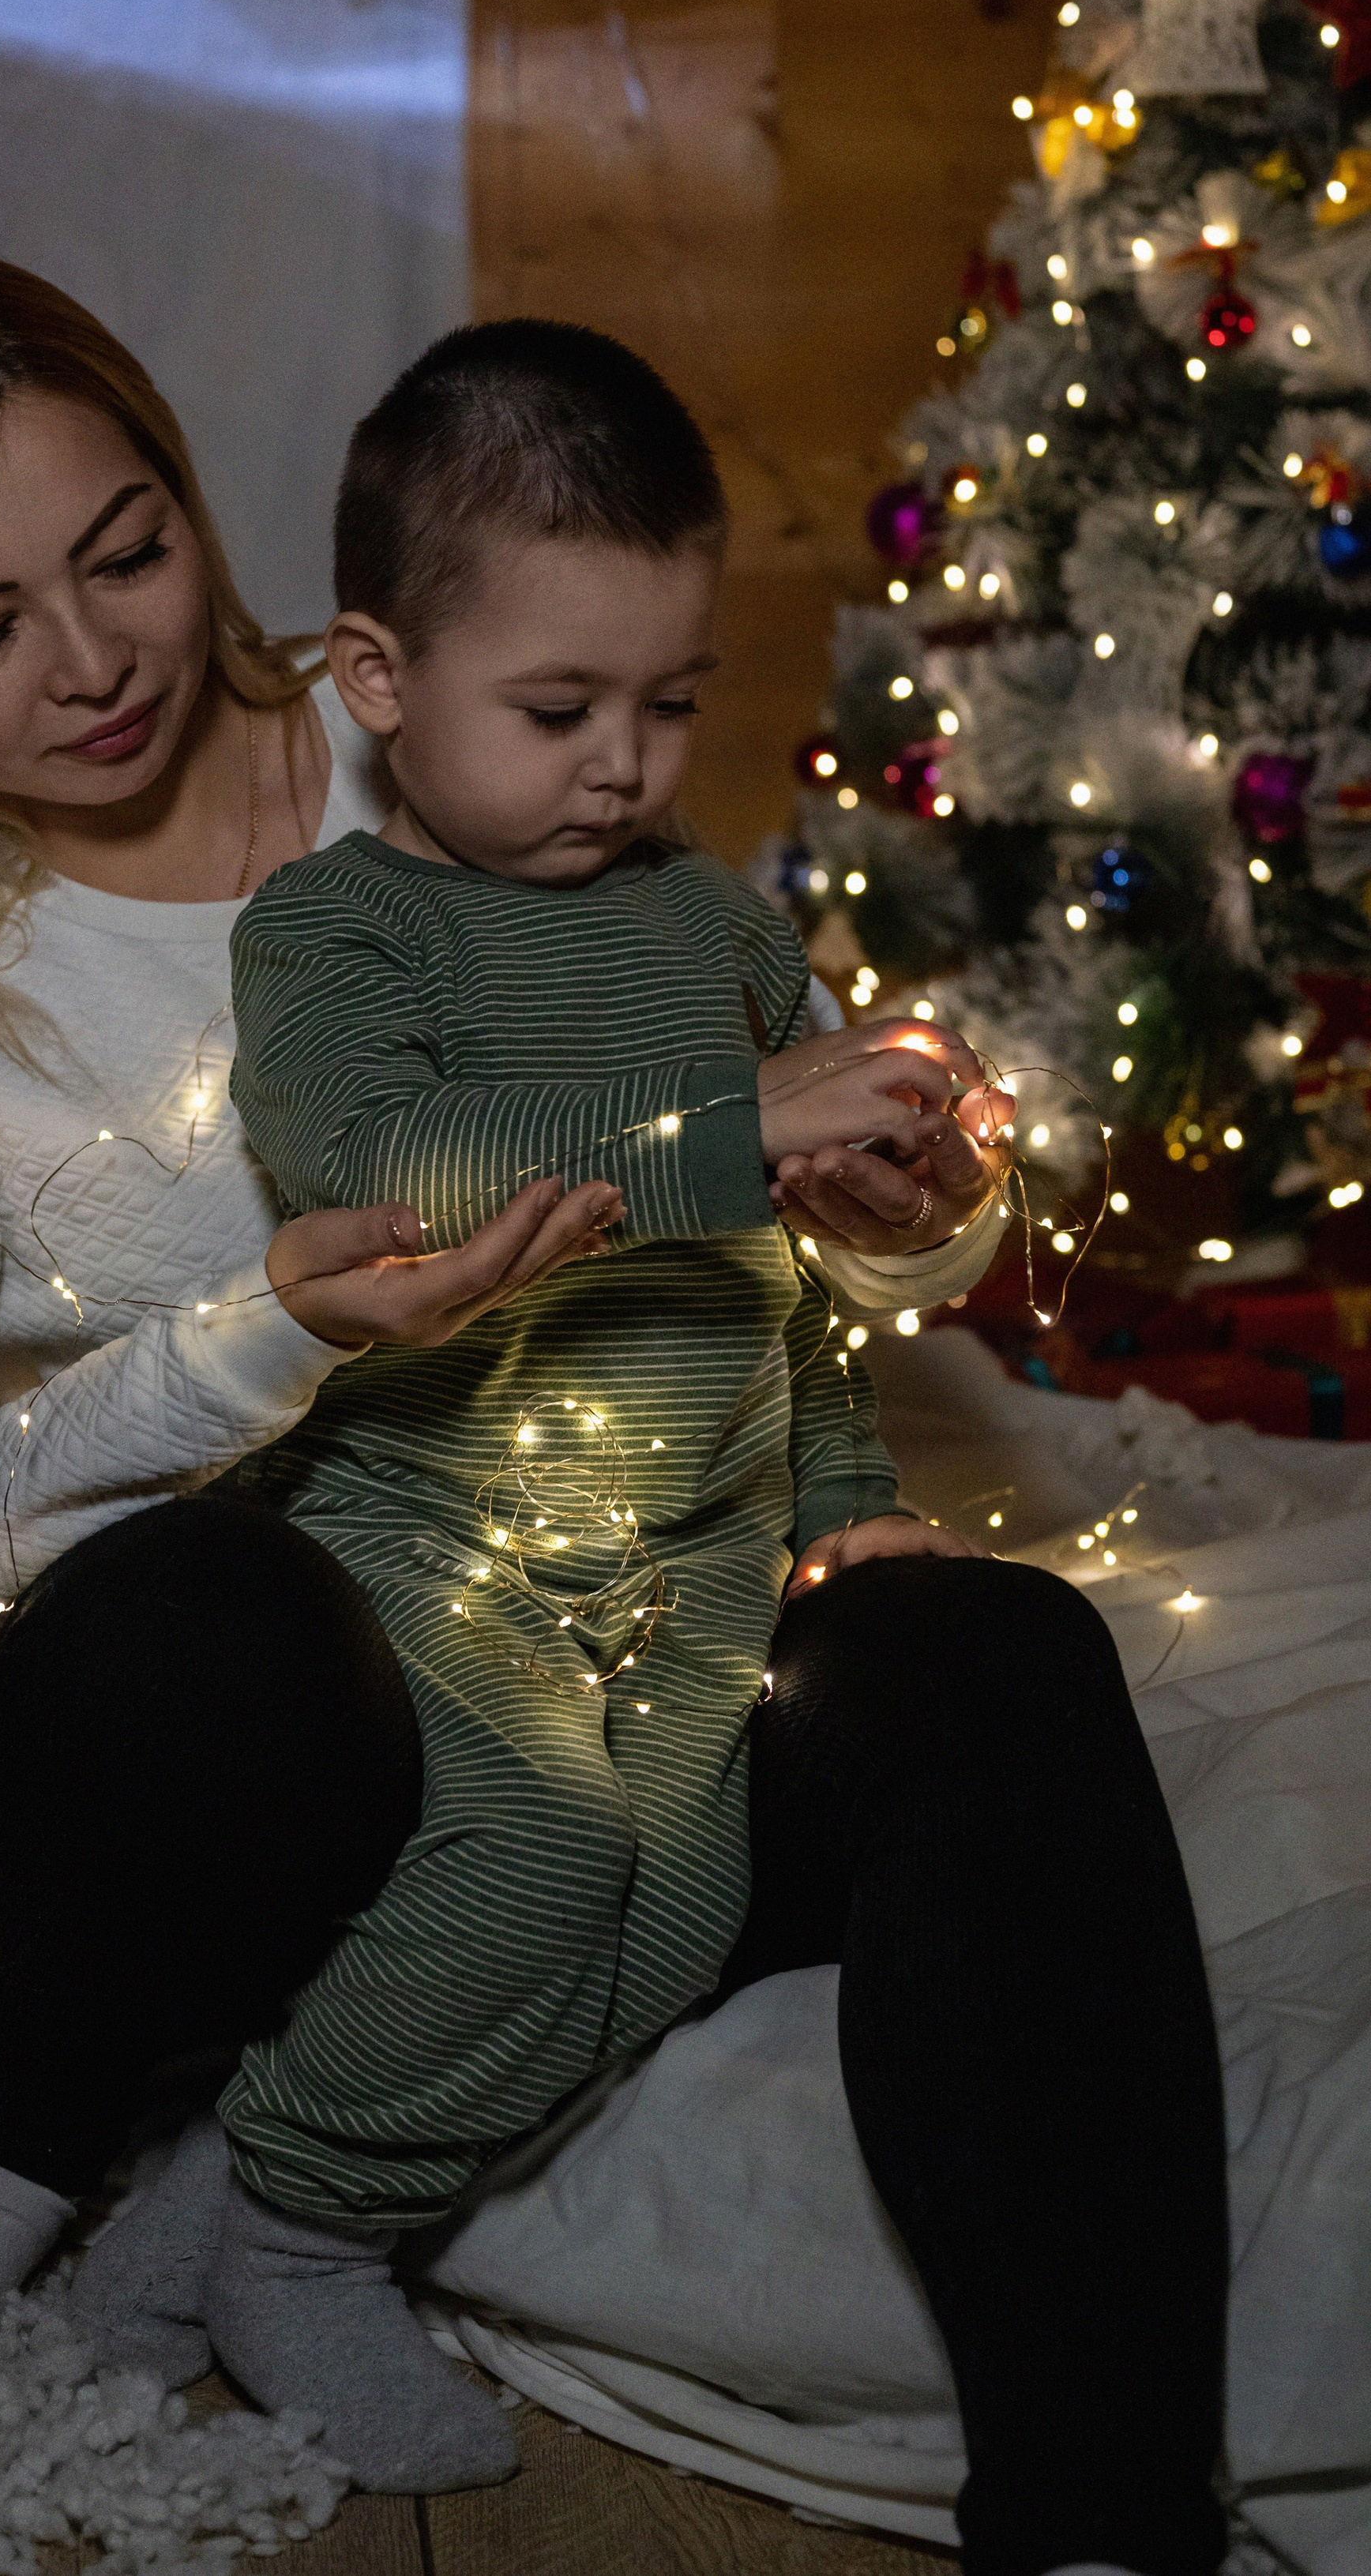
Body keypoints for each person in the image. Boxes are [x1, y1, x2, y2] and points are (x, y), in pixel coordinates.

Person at [0, 250, 1005, 2423]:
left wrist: (918, 1206)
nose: (95, 661)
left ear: (198, 503)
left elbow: (776, 1130)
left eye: (129, 551)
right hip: (259, 1694)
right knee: (208, 1612)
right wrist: (257, 1329)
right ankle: (35, 2137)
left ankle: (1098, 2495)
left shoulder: (462, 713)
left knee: (937, 1682)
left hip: (596, 1566)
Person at [76, 326, 1230, 2576]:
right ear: (379, 677)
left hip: (691, 1555)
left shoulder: (710, 925)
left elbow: (776, 1270)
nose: (624, 763)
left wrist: (841, 1464)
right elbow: (400, 1166)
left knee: (676, 1893)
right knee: (535, 1848)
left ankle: (251, 2165)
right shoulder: (340, 926)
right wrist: (749, 1119)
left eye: (672, 702)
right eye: (560, 708)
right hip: (435, 1535)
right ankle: (302, 2219)